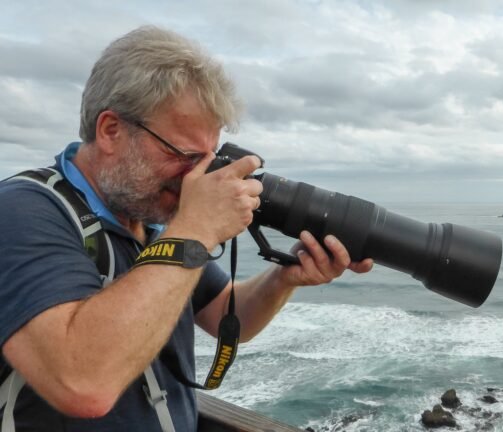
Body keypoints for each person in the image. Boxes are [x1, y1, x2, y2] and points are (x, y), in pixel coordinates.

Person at [0, 25, 373, 431]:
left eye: (206, 158)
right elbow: (82, 383)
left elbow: (226, 316)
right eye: (183, 154)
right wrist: (196, 227)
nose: (196, 175)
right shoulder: (23, 211)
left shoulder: (147, 216)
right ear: (111, 130)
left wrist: (284, 277)